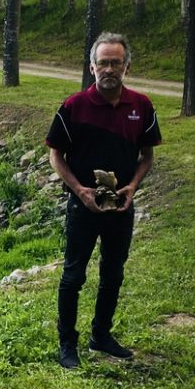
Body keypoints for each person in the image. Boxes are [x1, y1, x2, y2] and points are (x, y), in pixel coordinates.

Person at [47, 32, 161, 369]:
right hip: (83, 207)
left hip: (121, 208)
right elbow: (56, 155)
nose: (109, 69)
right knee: (73, 276)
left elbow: (147, 156)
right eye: (103, 63)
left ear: (127, 67)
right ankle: (67, 342)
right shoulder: (73, 106)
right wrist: (79, 190)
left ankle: (102, 335)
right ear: (92, 67)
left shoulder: (141, 106)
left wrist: (132, 188)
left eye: (116, 63)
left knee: (113, 272)